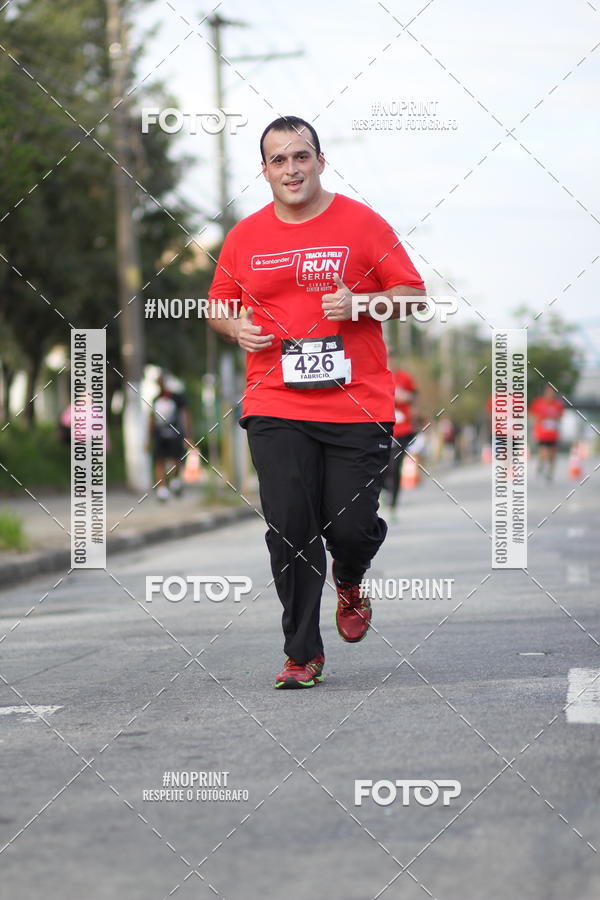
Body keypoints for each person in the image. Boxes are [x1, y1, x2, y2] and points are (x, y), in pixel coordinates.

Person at [207, 115, 426, 689]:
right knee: (289, 526)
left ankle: (351, 575)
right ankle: (301, 652)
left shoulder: (360, 223)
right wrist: (237, 329)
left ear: (320, 161)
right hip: (275, 400)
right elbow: (218, 305)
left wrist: (361, 305)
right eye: (278, 160)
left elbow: (412, 295)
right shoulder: (246, 236)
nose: (291, 169)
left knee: (350, 527)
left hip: (356, 403)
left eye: (300, 156)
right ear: (265, 171)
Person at [148, 373, 191, 501]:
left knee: (176, 460)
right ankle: (162, 489)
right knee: (159, 461)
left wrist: (188, 436)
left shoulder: (178, 398)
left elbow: (185, 415)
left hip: (175, 435)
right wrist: (148, 437)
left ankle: (175, 480)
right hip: (159, 435)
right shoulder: (155, 399)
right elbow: (151, 418)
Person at [385, 367, 417, 515]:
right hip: (382, 429)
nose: (389, 357)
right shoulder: (376, 373)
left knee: (395, 466)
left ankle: (393, 504)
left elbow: (414, 397)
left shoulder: (404, 377)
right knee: (383, 467)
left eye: (392, 354)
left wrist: (404, 396)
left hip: (402, 430)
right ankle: (384, 490)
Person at [529, 385, 564, 481]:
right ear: (545, 392)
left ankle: (549, 473)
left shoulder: (557, 404)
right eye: (548, 392)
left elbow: (560, 416)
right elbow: (532, 415)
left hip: (553, 434)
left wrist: (553, 419)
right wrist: (536, 422)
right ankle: (541, 464)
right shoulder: (538, 403)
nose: (550, 394)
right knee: (544, 451)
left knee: (552, 454)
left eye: (552, 392)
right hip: (542, 433)